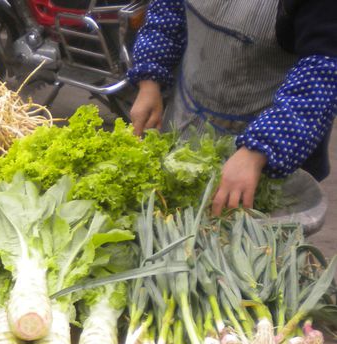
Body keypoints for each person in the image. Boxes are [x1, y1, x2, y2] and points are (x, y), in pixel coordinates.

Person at [127, 0, 337, 215]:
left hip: (269, 153)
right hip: (185, 117)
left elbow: (323, 73)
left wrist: (259, 149)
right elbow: (168, 11)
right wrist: (150, 79)